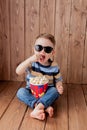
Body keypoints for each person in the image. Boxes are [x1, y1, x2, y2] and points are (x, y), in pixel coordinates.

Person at [16, 33, 63, 120]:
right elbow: (18, 71)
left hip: (47, 92)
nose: (42, 51)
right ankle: (42, 107)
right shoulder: (31, 63)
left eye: (47, 49)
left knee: (54, 91)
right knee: (20, 92)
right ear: (34, 49)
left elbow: (58, 80)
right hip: (32, 92)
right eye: (39, 48)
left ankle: (37, 108)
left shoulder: (54, 66)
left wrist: (59, 86)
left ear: (52, 53)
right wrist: (29, 60)